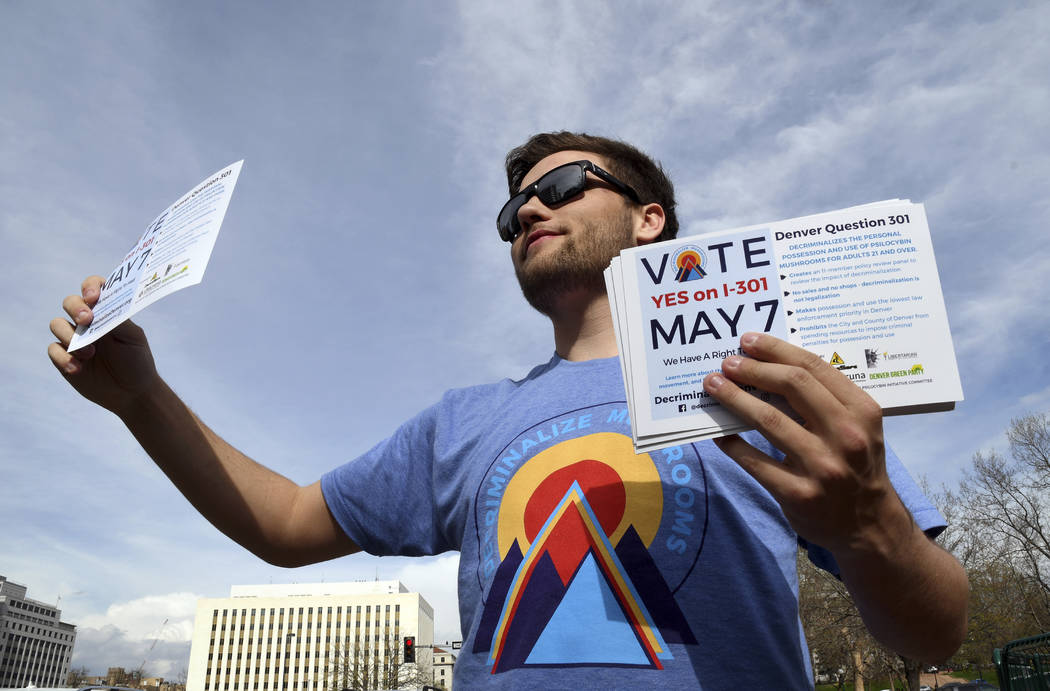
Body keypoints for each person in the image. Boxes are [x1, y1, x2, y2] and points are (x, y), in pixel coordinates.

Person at [49, 132, 968, 688]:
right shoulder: (461, 420)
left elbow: (936, 629)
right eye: (513, 208)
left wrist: (871, 526)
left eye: (563, 186)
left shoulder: (776, 380)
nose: (529, 209)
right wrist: (140, 398)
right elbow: (287, 522)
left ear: (650, 217)